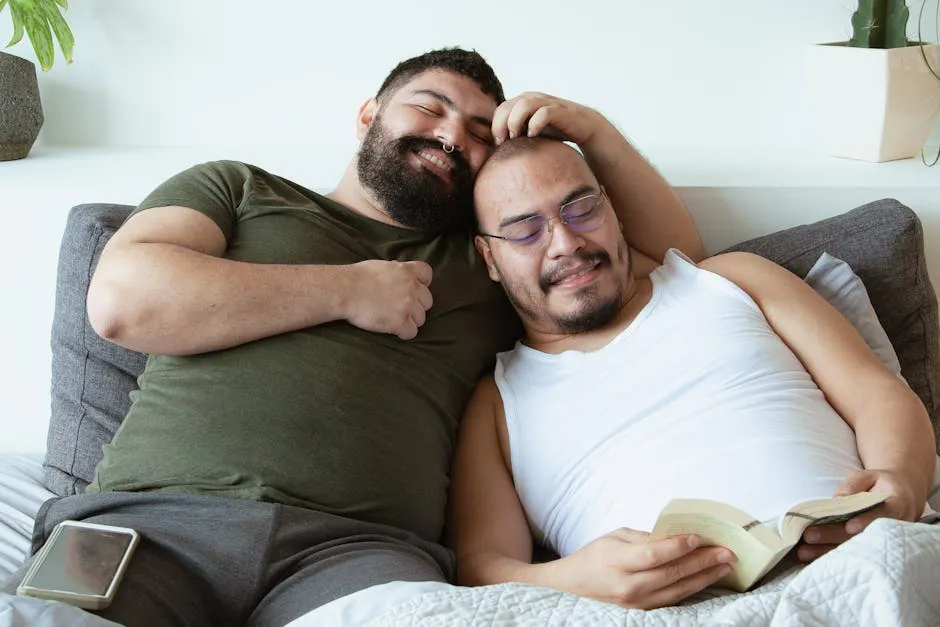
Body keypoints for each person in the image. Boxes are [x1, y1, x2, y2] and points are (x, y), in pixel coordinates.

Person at [19, 49, 703, 626]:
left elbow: (677, 269)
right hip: (146, 523)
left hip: (359, 553)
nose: (449, 136)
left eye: (475, 132)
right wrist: (351, 290)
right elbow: (121, 301)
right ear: (369, 114)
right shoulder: (240, 189)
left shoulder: (496, 257)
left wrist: (597, 132)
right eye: (429, 107)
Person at [449, 136, 937, 611]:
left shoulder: (732, 279)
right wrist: (572, 579)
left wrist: (903, 482)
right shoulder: (496, 404)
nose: (565, 243)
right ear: (490, 257)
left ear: (612, 209)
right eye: (523, 231)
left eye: (581, 209)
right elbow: (482, 565)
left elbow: (878, 394)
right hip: (675, 612)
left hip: (862, 556)